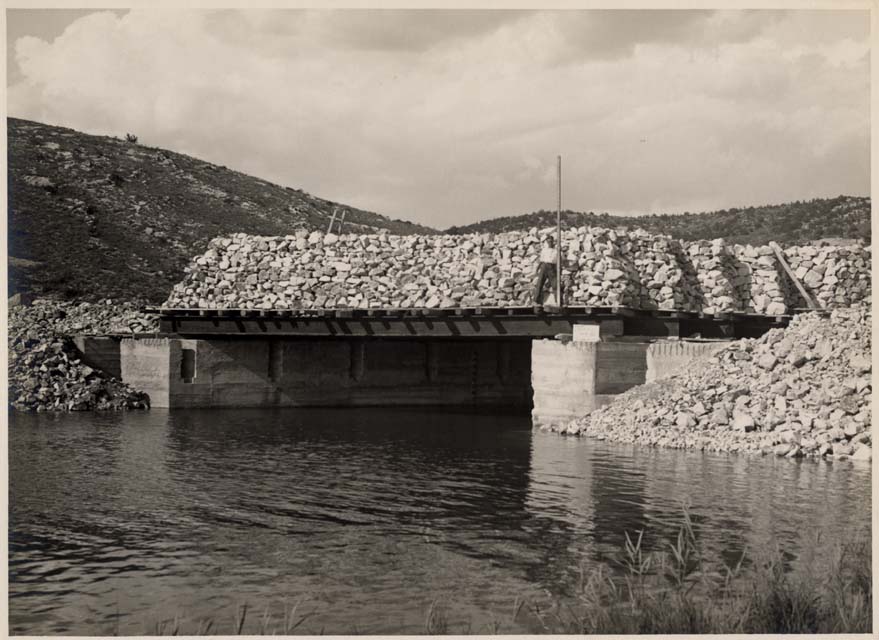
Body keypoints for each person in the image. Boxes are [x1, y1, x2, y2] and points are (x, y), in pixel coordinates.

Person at [533, 236, 559, 306]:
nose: (550, 243)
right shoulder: (544, 250)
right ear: (547, 242)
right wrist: (537, 269)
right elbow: (541, 260)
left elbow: (558, 261)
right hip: (544, 266)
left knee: (555, 285)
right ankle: (536, 300)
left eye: (551, 241)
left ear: (553, 242)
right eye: (548, 241)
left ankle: (558, 301)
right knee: (540, 283)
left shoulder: (556, 251)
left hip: (552, 267)